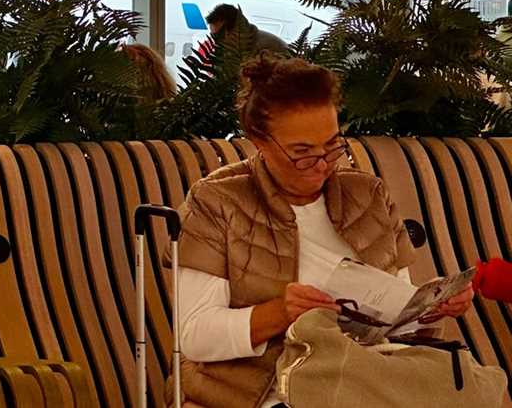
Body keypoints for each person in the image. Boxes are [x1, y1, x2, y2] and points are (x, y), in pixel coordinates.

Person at [170, 53, 479, 408]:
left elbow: (397, 319)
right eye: (302, 152)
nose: (321, 164)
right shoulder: (217, 202)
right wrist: (279, 313)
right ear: (260, 141)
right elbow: (194, 336)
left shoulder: (367, 196)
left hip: (368, 383)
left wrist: (430, 308)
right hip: (262, 394)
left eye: (332, 145)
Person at [203, 3, 288, 58]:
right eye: (213, 36)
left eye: (218, 36)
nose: (216, 41)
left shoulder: (267, 49)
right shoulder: (232, 48)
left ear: (236, 30)